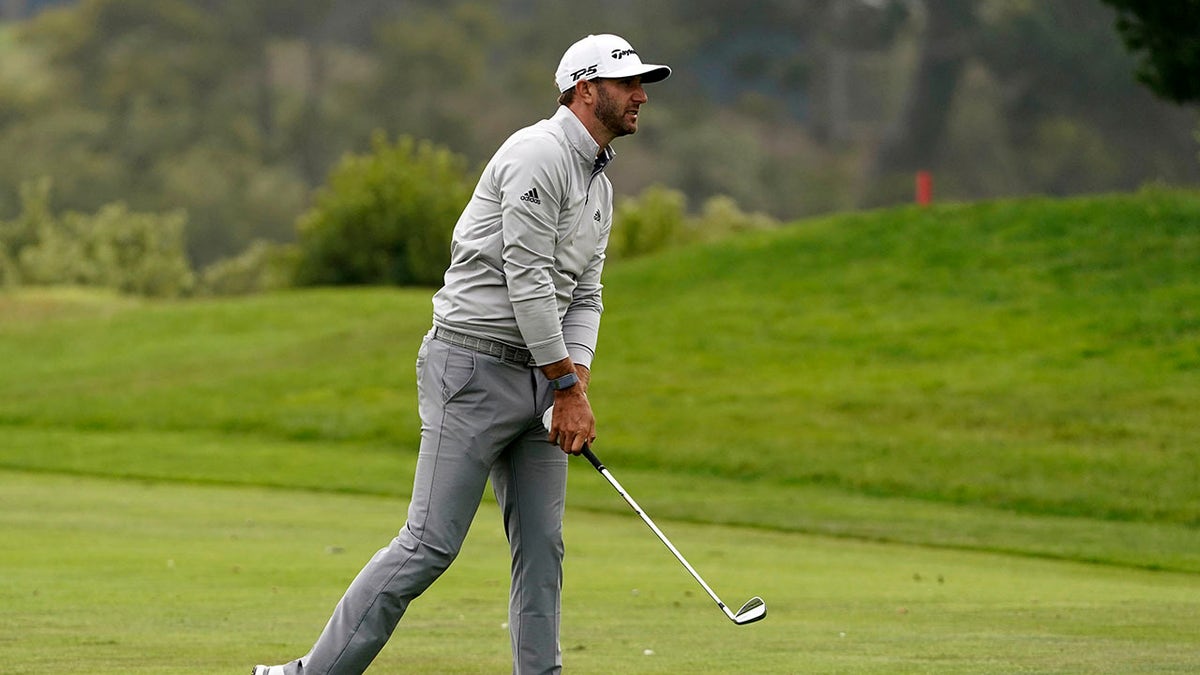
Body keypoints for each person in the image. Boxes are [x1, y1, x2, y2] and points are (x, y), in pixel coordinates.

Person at [252, 33, 671, 675]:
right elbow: (526, 279)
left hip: (545, 377)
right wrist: (566, 386)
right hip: (471, 369)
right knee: (429, 544)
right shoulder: (538, 153)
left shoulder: (600, 185)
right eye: (628, 84)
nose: (641, 96)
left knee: (542, 546)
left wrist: (573, 383)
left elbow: (585, 292)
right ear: (587, 89)